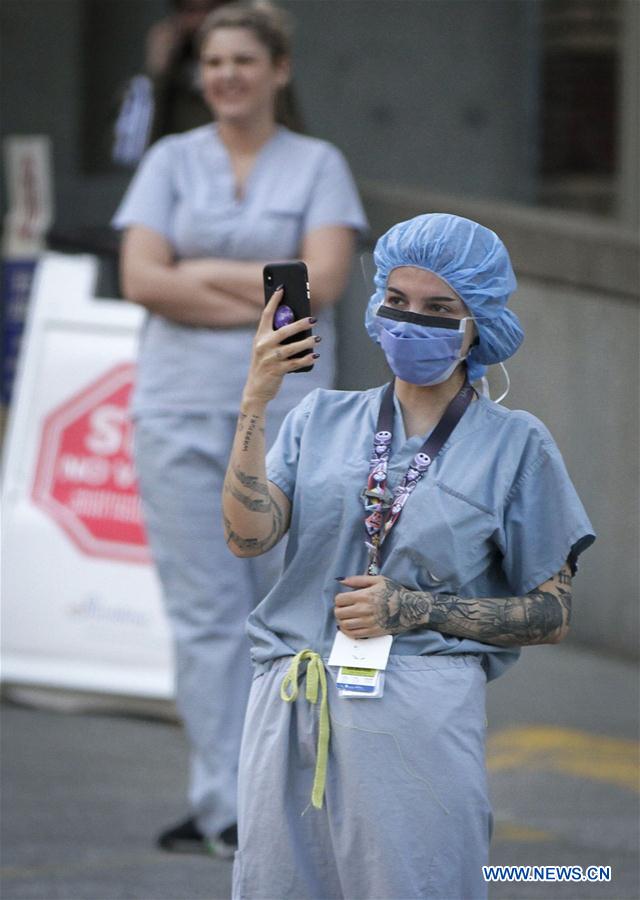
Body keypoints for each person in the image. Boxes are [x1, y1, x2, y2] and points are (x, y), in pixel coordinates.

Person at [222, 213, 595, 899]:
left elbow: (552, 611)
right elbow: (248, 536)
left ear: (477, 323)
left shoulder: (517, 444)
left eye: (438, 308)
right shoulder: (319, 418)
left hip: (417, 713)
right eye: (396, 299)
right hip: (291, 699)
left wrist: (419, 608)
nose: (410, 319)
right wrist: (256, 402)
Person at [112, 1, 367, 857]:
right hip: (179, 413)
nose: (225, 75)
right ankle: (223, 806)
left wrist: (197, 274)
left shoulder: (319, 164)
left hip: (292, 420)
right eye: (212, 62)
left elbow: (322, 285)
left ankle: (293, 795)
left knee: (290, 609)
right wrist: (260, 291)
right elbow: (142, 280)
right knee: (203, 617)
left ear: (279, 71)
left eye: (243, 62)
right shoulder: (168, 161)